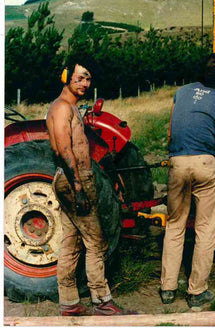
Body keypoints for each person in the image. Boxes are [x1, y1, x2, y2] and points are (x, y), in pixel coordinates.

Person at [47, 57, 130, 316]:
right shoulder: (62, 108)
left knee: (71, 242)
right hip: (76, 181)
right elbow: (63, 150)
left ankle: (70, 303)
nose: (85, 83)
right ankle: (102, 301)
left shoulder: (70, 108)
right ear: (65, 76)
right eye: (80, 77)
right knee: (96, 242)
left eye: (88, 78)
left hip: (76, 179)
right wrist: (79, 187)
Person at [160, 53, 215, 308]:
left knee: (175, 225)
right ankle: (196, 292)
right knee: (206, 229)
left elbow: (171, 133)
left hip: (178, 162)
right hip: (205, 164)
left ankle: (168, 289)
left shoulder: (181, 93)